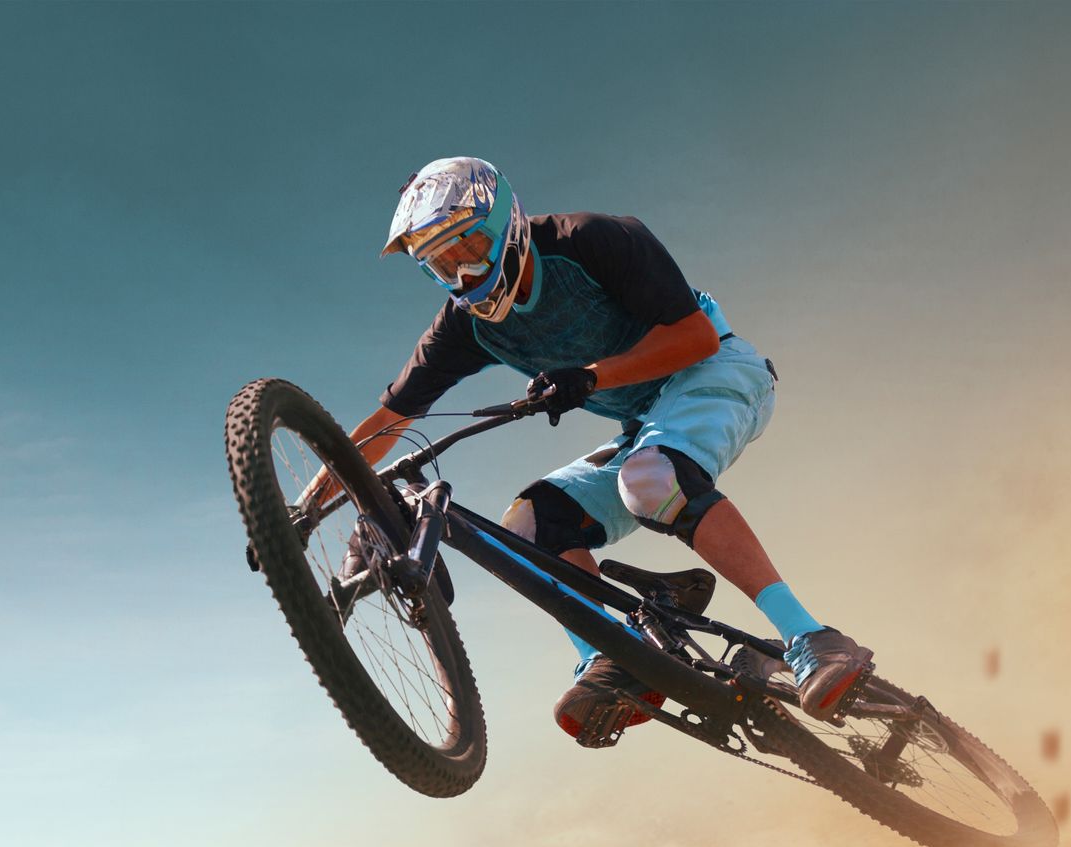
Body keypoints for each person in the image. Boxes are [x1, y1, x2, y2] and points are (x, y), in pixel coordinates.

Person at [348, 156, 873, 744]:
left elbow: (696, 337)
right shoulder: (463, 325)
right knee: (528, 526)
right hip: (643, 425)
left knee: (651, 479)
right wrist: (300, 511)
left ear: (503, 223)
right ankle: (610, 657)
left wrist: (590, 377)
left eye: (468, 247)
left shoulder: (590, 240)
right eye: (443, 263)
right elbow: (387, 422)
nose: (463, 273)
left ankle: (811, 637)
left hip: (719, 370)